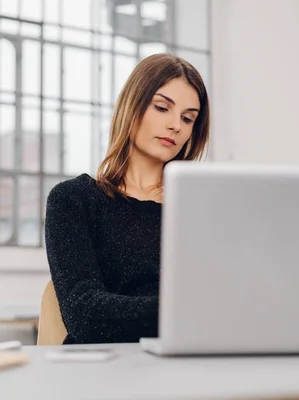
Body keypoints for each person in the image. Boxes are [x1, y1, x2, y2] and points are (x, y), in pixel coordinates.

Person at [44, 53, 210, 344]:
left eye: (188, 118)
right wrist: (188, 313)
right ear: (132, 107)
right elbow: (85, 316)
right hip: (104, 373)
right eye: (162, 108)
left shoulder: (200, 210)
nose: (176, 125)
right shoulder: (73, 200)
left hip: (188, 363)